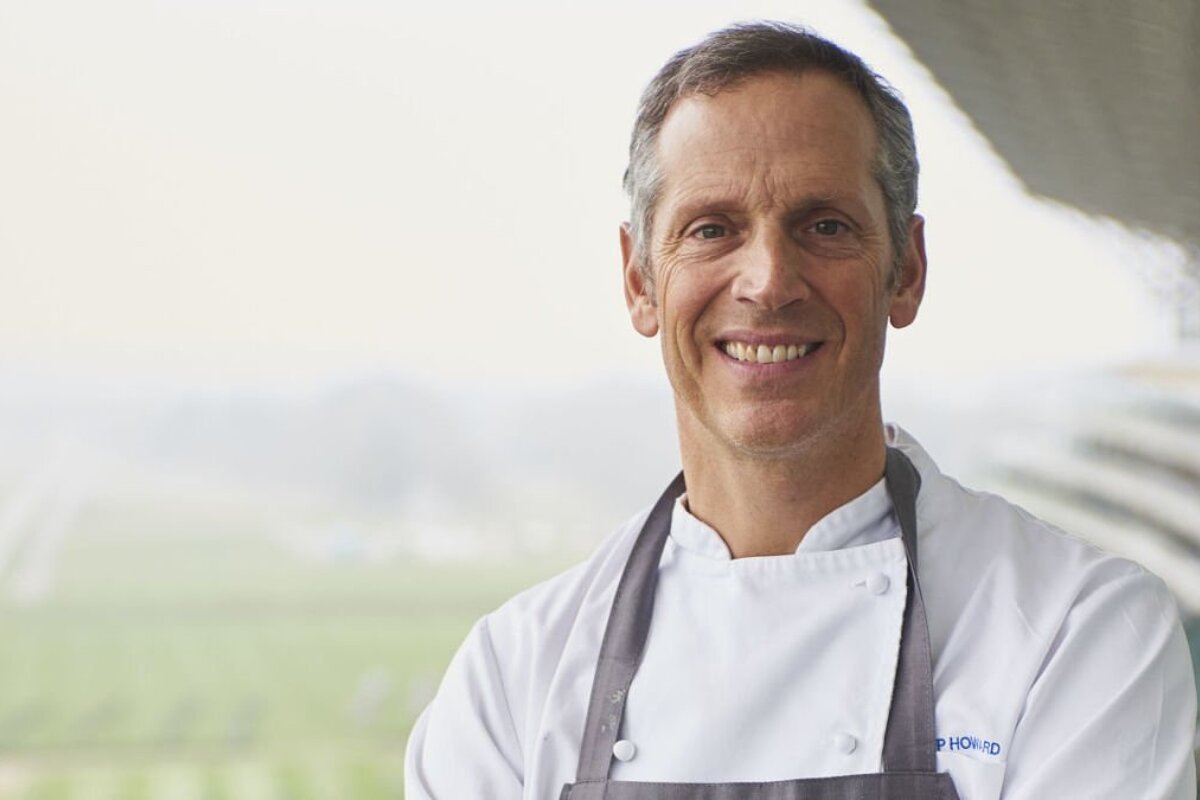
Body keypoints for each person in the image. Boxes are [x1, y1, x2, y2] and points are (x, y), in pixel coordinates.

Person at [404, 21, 1198, 799]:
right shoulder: (512, 679)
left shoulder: (1077, 630)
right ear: (640, 281)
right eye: (712, 229)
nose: (769, 282)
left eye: (824, 226)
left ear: (906, 271)